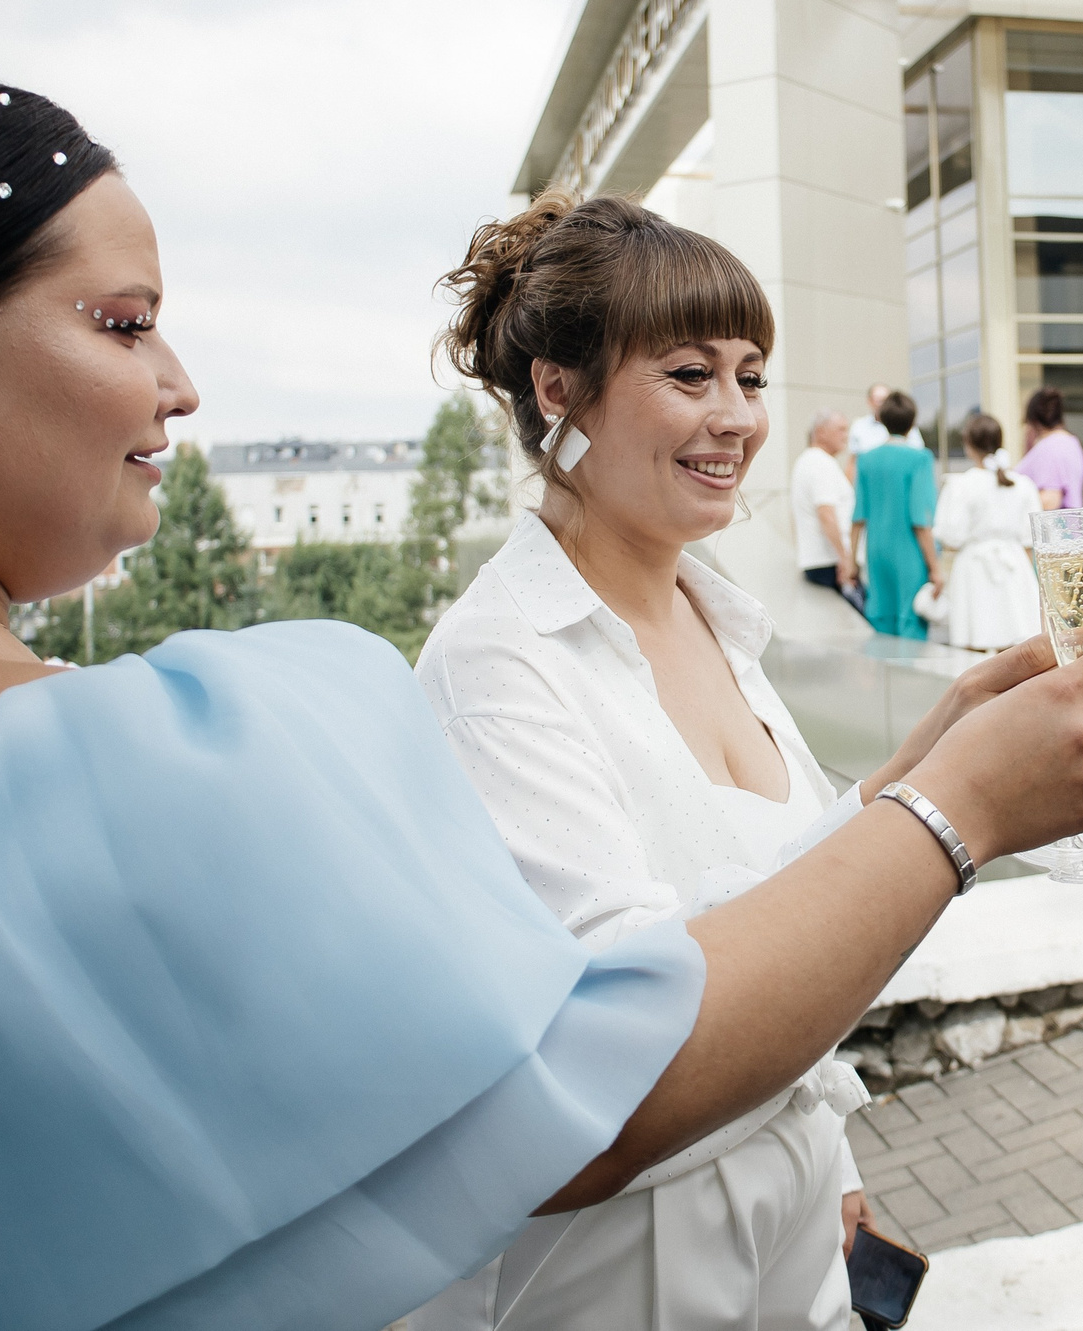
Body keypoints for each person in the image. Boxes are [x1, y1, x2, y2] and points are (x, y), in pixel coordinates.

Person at [0, 64, 1083, 1330]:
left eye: (748, 374)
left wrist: (922, 770)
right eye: (125, 322)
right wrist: (956, 808)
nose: (181, 383)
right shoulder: (129, 759)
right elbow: (569, 1091)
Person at [414, 194, 1002, 1328]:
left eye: (752, 376)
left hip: (795, 1250)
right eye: (690, 374)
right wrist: (958, 808)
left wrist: (836, 1168)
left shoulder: (715, 618)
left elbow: (795, 896)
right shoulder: (496, 666)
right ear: (557, 389)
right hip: (620, 1279)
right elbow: (619, 1054)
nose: (737, 417)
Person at [933, 413, 1042, 652]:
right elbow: (1030, 537)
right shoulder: (1023, 484)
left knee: (975, 639)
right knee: (1015, 642)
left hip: (974, 567)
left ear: (968, 445)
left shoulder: (961, 485)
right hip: (1014, 565)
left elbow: (950, 536)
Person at [852, 391, 939, 642]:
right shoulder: (920, 459)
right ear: (912, 422)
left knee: (880, 620)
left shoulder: (866, 460)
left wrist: (851, 560)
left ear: (881, 419)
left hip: (876, 551)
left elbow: (858, 516)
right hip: (910, 552)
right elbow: (921, 520)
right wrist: (935, 568)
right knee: (910, 621)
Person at [791, 409, 862, 612]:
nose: (845, 436)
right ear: (821, 432)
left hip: (824, 561)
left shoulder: (810, 461)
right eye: (841, 429)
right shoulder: (819, 463)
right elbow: (826, 514)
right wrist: (845, 559)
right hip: (830, 564)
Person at [1013, 386, 1083, 511]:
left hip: (1052, 522)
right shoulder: (1071, 443)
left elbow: (1051, 500)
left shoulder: (1050, 447)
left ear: (1033, 421)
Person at [845, 383, 913, 465]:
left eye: (886, 400)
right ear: (869, 401)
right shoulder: (859, 426)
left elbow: (917, 450)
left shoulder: (905, 424)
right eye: (878, 400)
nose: (882, 404)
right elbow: (853, 461)